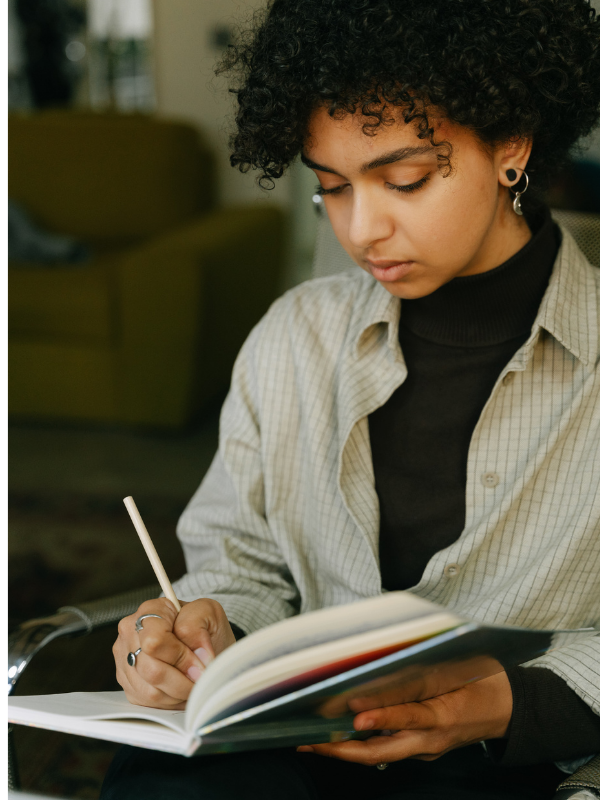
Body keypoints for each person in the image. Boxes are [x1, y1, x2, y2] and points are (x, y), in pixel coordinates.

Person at [101, 1, 600, 797]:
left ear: (512, 144)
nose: (362, 229)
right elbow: (241, 560)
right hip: (305, 750)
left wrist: (494, 704)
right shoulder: (294, 339)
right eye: (331, 187)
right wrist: (203, 633)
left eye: (405, 179)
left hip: (524, 758)